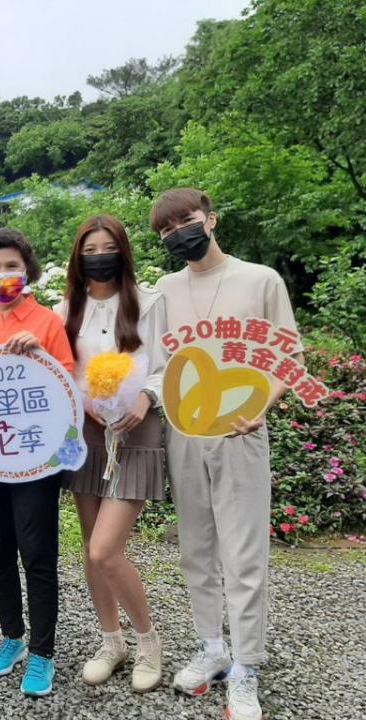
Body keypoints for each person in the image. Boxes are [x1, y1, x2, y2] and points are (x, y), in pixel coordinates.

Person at [151, 188, 305, 720]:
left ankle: (247, 667)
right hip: (183, 435)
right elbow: (155, 363)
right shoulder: (164, 290)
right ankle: (212, 650)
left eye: (187, 222)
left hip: (241, 430)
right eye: (167, 231)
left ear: (211, 220)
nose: (179, 234)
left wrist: (264, 406)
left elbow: (289, 357)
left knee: (243, 552)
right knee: (196, 547)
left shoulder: (259, 279)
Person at [0, 228, 74, 697]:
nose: (3, 274)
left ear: (28, 272)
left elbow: (66, 391)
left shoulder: (45, 321)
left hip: (34, 460)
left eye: (12, 266)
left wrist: (39, 354)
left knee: (38, 554)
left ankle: (43, 652)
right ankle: (13, 638)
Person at [54, 215, 167, 692]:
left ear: (122, 250)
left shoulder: (152, 303)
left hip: (138, 429)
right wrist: (80, 402)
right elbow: (59, 371)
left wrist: (146, 398)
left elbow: (170, 362)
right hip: (87, 434)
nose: (99, 255)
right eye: (89, 248)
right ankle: (111, 640)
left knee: (106, 549)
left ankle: (148, 643)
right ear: (78, 258)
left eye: (108, 246)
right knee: (90, 547)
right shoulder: (64, 310)